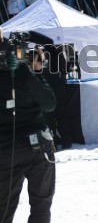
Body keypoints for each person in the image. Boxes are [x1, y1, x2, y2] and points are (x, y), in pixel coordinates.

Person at [0, 44, 57, 223]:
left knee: (4, 207)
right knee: (41, 203)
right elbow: (49, 103)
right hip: (35, 147)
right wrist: (38, 72)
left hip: (4, 150)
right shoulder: (24, 74)